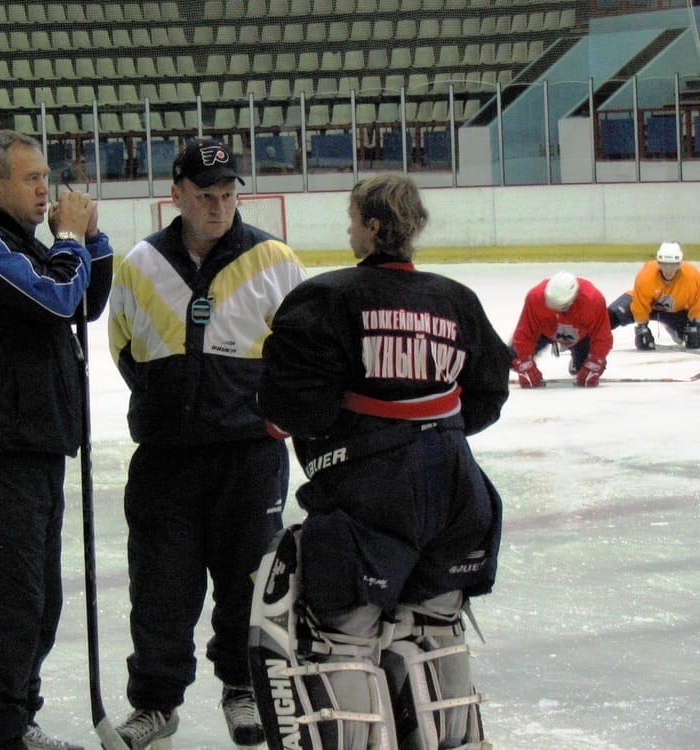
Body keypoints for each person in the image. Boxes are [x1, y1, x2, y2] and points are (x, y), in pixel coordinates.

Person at [255, 174, 510, 749]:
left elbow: (290, 404)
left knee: (344, 637)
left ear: (372, 226)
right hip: (459, 490)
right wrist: (426, 430)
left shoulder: (328, 297)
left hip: (370, 497)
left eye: (353, 219)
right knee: (435, 629)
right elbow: (489, 395)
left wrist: (372, 435)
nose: (349, 229)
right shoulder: (456, 300)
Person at [107, 139, 306, 749]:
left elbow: (301, 352)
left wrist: (264, 414)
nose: (218, 207)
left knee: (247, 584)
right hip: (166, 460)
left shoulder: (274, 260)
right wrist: (170, 406)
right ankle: (156, 705)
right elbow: (122, 346)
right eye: (205, 196)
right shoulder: (140, 263)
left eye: (227, 195)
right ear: (177, 195)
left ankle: (242, 689)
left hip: (249, 457)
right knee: (161, 587)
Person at [0, 129, 113, 750]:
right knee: (6, 607)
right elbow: (57, 297)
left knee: (40, 604)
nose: (46, 188)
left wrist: (90, 239)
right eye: (32, 179)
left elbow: (86, 301)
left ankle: (17, 720)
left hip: (38, 442)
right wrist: (68, 242)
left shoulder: (24, 244)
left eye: (46, 177)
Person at [510, 271, 613, 388]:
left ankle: (577, 361)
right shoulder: (535, 297)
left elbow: (602, 335)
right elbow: (525, 332)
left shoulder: (594, 299)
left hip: (581, 335)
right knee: (512, 357)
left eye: (562, 306)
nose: (558, 309)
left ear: (574, 298)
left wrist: (596, 360)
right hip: (545, 331)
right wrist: (524, 362)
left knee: (588, 370)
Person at [607, 242, 700, 350]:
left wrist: (694, 325)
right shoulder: (646, 276)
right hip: (644, 305)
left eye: (673, 265)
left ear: (680, 264)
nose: (668, 270)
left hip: (676, 311)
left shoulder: (692, 277)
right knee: (610, 316)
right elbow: (639, 303)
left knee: (694, 338)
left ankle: (673, 327)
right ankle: (588, 334)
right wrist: (642, 327)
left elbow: (697, 301)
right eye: (664, 265)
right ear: (658, 264)